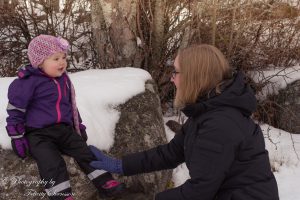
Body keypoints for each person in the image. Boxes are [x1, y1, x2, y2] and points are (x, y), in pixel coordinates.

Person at [89, 44, 279, 200]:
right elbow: (171, 153)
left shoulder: (220, 124)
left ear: (194, 77)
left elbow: (200, 191)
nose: (172, 79)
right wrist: (120, 165)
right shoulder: (208, 111)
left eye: (176, 72)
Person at [6, 34, 124, 200]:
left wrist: (79, 126)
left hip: (63, 129)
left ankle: (105, 182)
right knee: (51, 161)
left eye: (63, 57)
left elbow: (70, 106)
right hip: (38, 134)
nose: (62, 62)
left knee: (84, 151)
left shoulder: (63, 80)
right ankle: (61, 195)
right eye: (56, 58)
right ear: (39, 62)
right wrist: (17, 136)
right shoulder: (27, 82)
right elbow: (15, 110)